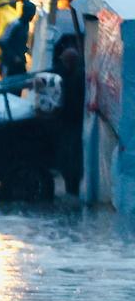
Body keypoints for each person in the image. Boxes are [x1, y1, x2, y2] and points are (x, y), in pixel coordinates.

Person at [51, 46, 84, 196]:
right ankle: (71, 187)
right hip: (69, 121)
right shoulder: (70, 75)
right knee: (69, 156)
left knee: (71, 156)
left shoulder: (75, 77)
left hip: (72, 121)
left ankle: (72, 187)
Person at [0, 0, 37, 82]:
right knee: (7, 86)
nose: (32, 16)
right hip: (9, 63)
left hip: (19, 63)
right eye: (31, 13)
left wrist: (26, 50)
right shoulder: (15, 24)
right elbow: (1, 42)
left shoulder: (26, 25)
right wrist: (14, 56)